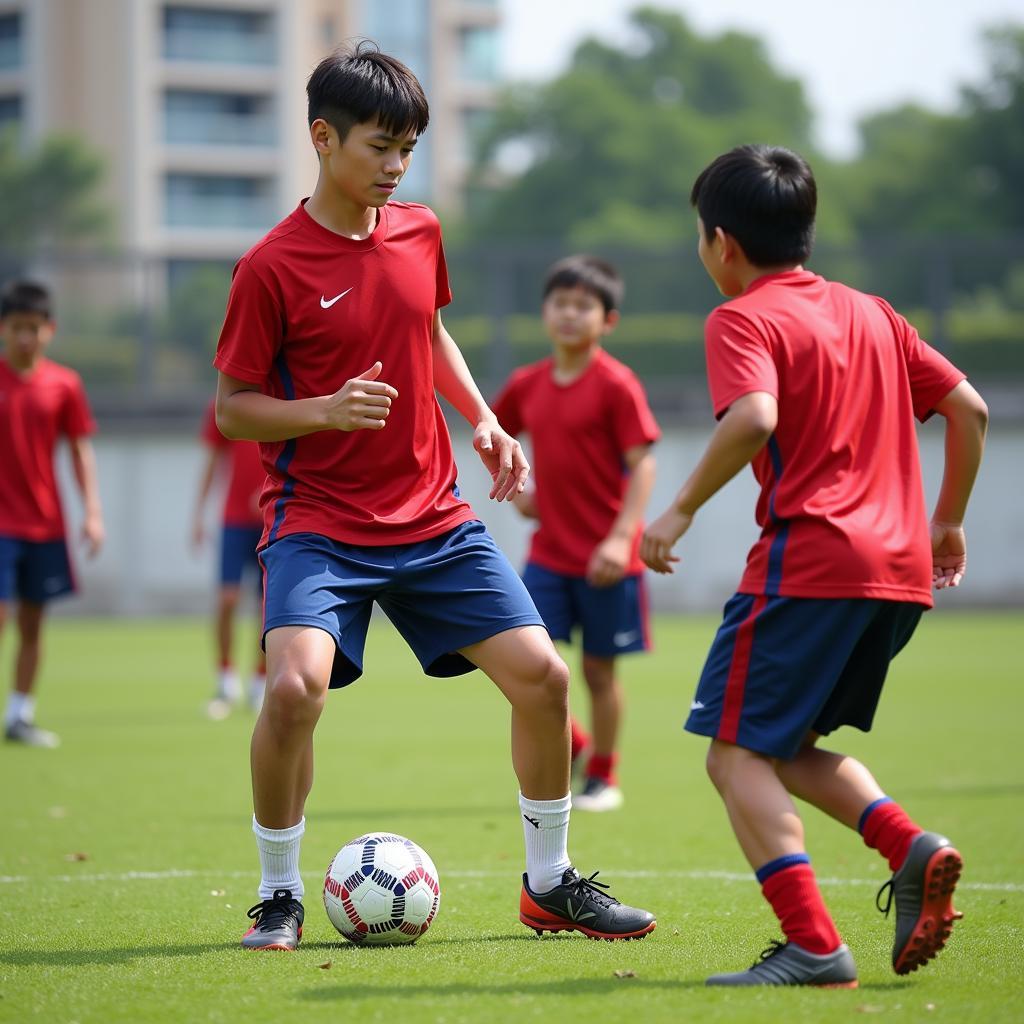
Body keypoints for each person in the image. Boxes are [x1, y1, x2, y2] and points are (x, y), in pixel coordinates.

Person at [213, 43, 655, 951]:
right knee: (294, 689)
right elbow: (233, 411)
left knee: (545, 679)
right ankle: (279, 895)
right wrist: (324, 412)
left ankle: (549, 884)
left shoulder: (419, 229)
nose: (395, 166)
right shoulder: (268, 267)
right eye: (379, 146)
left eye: (407, 148)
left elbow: (431, 329)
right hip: (321, 527)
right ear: (322, 138)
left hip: (436, 517)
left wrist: (486, 419)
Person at [641, 144, 987, 988]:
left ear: (722, 243)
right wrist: (947, 522)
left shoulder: (743, 318)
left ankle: (814, 946)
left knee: (730, 755)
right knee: (785, 744)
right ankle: (912, 848)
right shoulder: (874, 312)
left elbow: (755, 415)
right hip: (899, 571)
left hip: (813, 563)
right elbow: (968, 407)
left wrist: (679, 506)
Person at [492, 255, 659, 812]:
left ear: (606, 320)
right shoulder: (527, 384)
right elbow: (493, 436)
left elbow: (644, 464)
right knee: (522, 661)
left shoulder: (617, 384)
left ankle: (603, 776)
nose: (569, 314)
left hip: (607, 561)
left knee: (597, 671)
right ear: (545, 311)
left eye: (583, 305)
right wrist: (517, 491)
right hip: (548, 558)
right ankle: (576, 746)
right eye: (560, 303)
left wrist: (620, 538)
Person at [0, 280, 104, 748]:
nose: (25, 337)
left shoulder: (64, 384)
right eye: (17, 328)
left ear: (50, 330)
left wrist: (93, 513)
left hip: (44, 523)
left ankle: (20, 714)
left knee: (33, 622)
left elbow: (80, 449)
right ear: (4, 328)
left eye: (34, 328)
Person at [191, 399, 267, 718]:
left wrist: (269, 490)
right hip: (234, 520)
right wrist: (198, 513)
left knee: (270, 607)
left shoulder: (287, 396)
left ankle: (260, 683)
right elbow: (212, 458)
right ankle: (225, 680)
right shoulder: (223, 404)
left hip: (274, 518)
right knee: (227, 600)